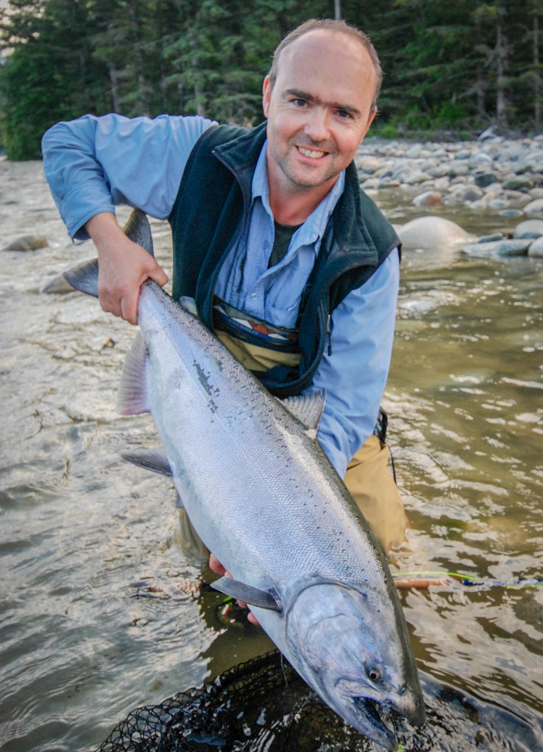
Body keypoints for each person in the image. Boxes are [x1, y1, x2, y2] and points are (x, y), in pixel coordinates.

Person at [42, 18, 407, 585]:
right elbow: (68, 141)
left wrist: (283, 530)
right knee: (219, 593)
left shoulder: (372, 252)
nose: (317, 129)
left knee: (371, 580)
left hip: (315, 443)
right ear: (267, 96)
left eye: (343, 113)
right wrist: (110, 243)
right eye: (300, 100)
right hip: (208, 411)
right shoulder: (194, 157)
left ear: (368, 123)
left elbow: (344, 413)